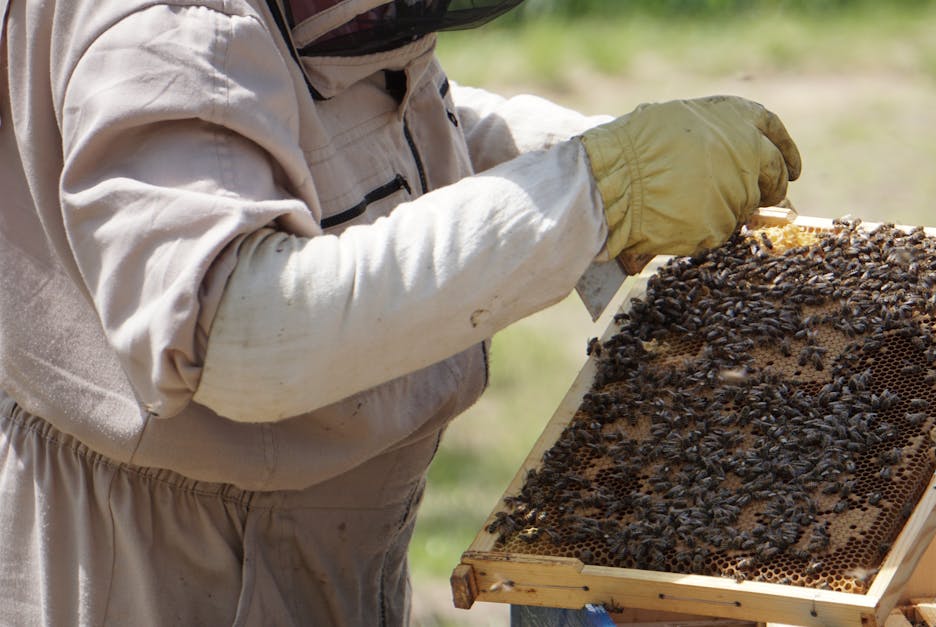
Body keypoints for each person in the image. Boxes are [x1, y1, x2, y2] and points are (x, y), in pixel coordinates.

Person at [0, 0, 801, 624]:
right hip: (162, 573)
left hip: (313, 540)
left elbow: (347, 123)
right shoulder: (160, 24)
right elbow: (240, 331)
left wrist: (568, 149)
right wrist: (596, 191)